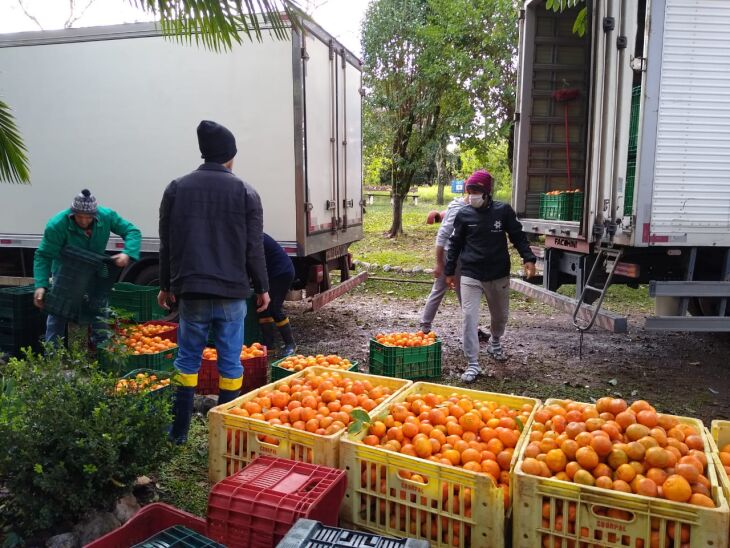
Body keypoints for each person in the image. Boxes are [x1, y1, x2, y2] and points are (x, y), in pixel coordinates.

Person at [158, 120, 270, 444]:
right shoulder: (246, 192)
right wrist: (262, 287)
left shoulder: (176, 188)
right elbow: (254, 247)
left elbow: (168, 242)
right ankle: (221, 438)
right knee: (231, 363)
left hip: (191, 292)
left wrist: (166, 284)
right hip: (231, 293)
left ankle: (178, 432)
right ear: (230, 156)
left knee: (187, 359)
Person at [445, 169, 537, 383]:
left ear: (486, 192)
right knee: (469, 316)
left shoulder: (503, 211)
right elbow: (455, 244)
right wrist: (450, 271)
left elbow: (518, 236)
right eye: (470, 191)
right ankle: (472, 363)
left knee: (500, 317)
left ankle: (495, 341)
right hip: (471, 274)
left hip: (498, 274)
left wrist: (529, 258)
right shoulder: (464, 214)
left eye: (476, 190)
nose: (472, 195)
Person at [33, 189, 141, 346]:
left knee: (98, 308)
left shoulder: (106, 215)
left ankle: (101, 350)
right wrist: (40, 285)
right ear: (72, 213)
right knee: (58, 311)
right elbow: (43, 255)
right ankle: (52, 355)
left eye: (88, 217)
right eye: (79, 216)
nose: (84, 221)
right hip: (66, 272)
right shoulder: (57, 224)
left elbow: (132, 231)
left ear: (95, 215)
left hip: (94, 270)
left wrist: (127, 253)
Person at [419, 192, 490, 342]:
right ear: (470, 193)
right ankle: (425, 328)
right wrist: (439, 263)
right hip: (451, 255)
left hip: (458, 255)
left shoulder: (463, 206)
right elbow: (443, 234)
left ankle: (426, 327)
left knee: (459, 291)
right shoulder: (459, 209)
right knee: (452, 290)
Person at [258, 233, 296, 357]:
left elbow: (255, 262)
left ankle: (291, 344)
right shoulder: (248, 234)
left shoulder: (253, 236)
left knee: (274, 308)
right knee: (262, 309)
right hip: (270, 274)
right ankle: (269, 347)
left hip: (282, 272)